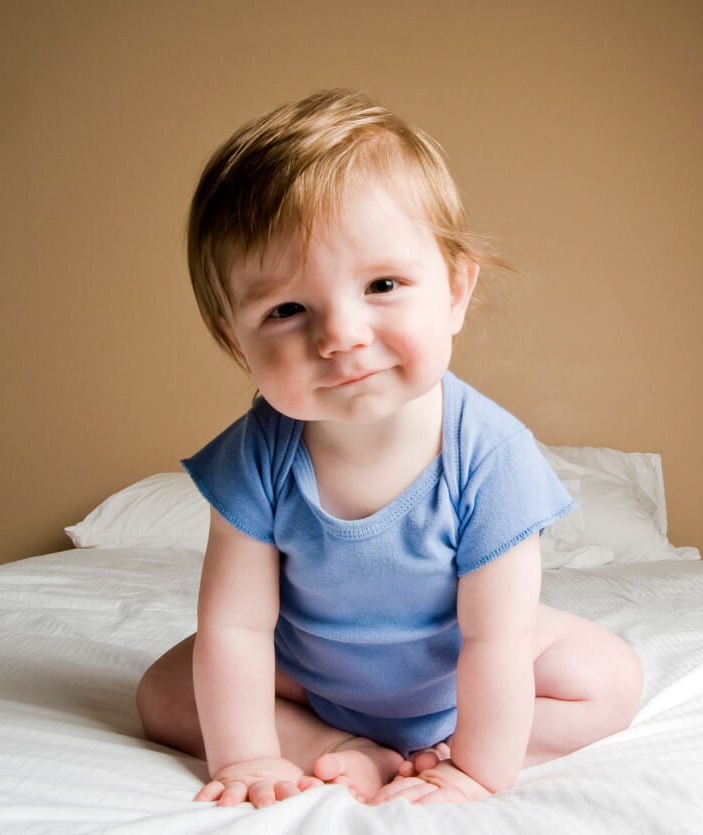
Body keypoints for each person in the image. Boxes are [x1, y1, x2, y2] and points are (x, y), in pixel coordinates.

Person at [136, 89, 643, 808]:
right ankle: (338, 749)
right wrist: (247, 756)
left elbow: (496, 641)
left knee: (607, 678)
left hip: (459, 679)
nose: (339, 333)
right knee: (163, 690)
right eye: (286, 309)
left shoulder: (489, 454)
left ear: (455, 291)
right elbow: (237, 624)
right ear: (234, 341)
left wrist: (474, 768)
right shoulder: (256, 455)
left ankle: (437, 752)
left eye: (382, 284)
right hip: (316, 674)